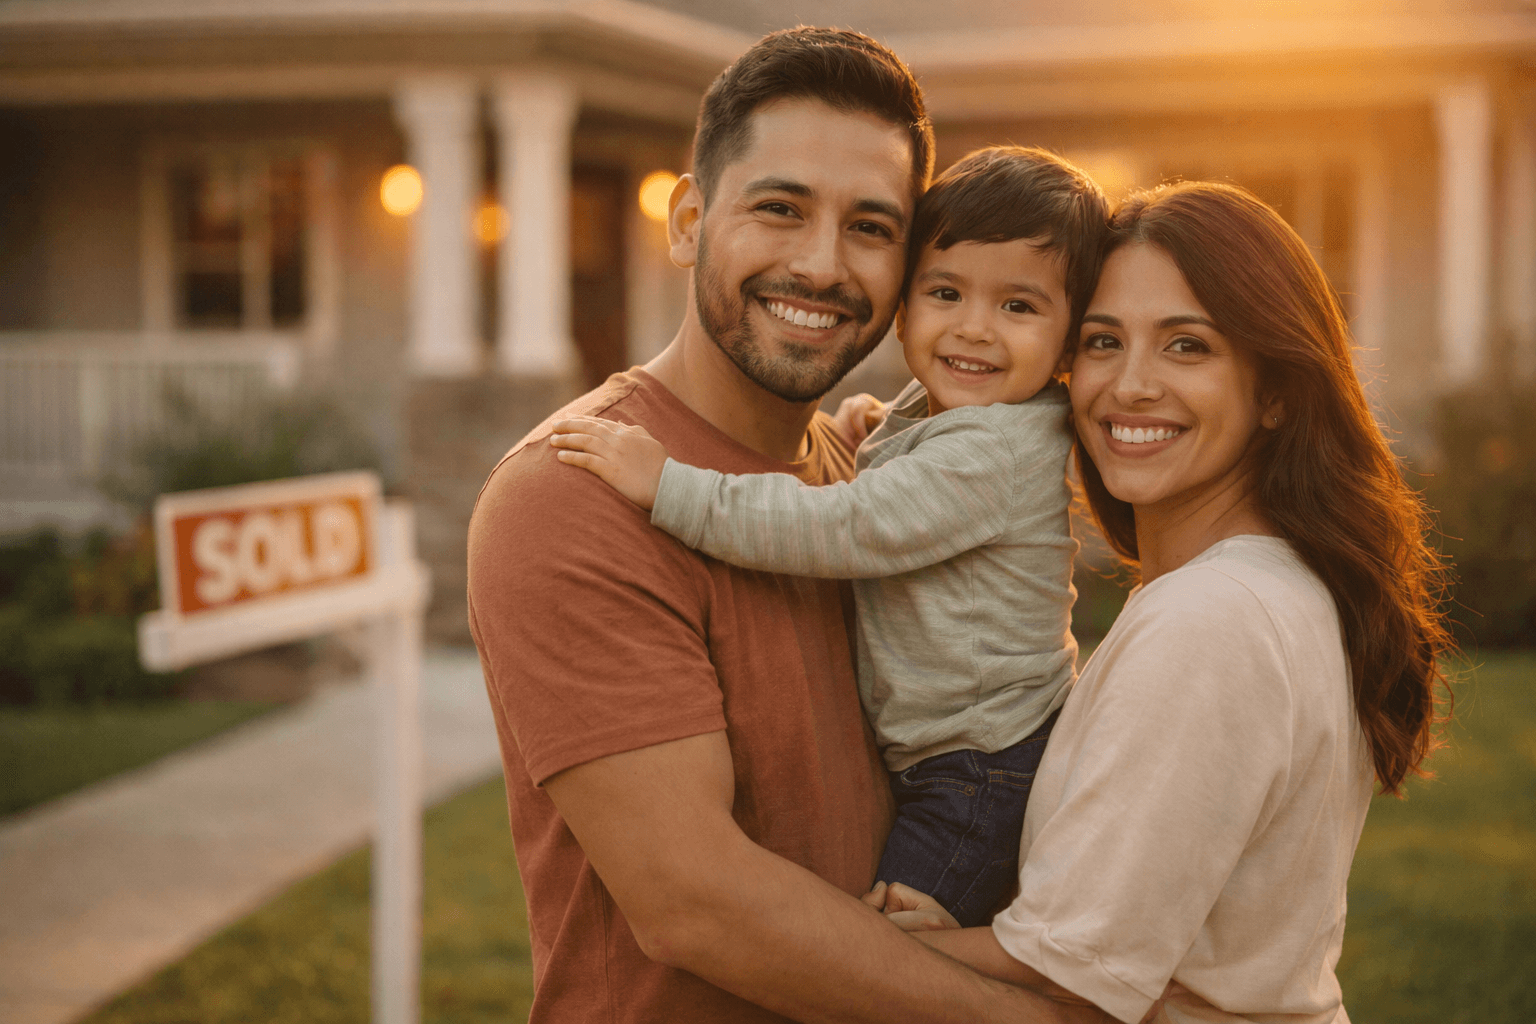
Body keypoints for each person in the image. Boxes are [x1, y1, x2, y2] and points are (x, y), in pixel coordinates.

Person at [468, 26, 1114, 1024]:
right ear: (688, 220)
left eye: (870, 226)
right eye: (780, 209)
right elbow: (696, 905)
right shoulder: (579, 490)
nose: (822, 265)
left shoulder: (857, 464)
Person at [869, 181, 1454, 1024]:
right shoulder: (1265, 587)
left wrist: (816, 933)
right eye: (1103, 342)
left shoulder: (1213, 620)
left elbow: (1064, 967)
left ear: (1279, 390)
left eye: (1187, 347)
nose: (1130, 386)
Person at [548, 145, 1109, 927]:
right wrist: (873, 435)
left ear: (1070, 338)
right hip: (962, 752)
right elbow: (917, 469)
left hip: (979, 774)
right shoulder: (964, 415)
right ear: (907, 302)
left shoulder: (998, 450)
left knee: (891, 959)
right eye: (946, 293)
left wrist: (671, 488)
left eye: (1018, 307)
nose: (974, 330)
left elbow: (842, 527)